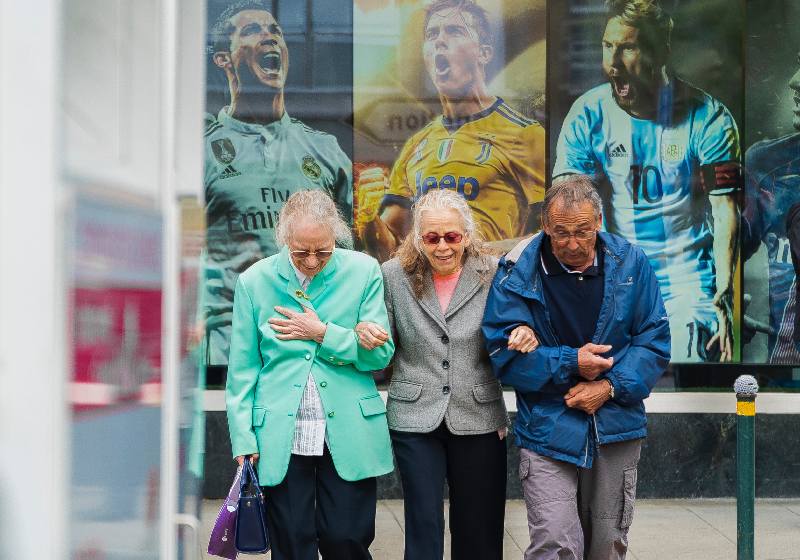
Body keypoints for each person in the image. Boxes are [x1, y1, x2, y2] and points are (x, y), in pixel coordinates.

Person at [482, 176, 670, 559]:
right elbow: (504, 357)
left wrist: (609, 386)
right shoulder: (518, 271)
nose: (572, 243)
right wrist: (571, 362)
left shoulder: (631, 262)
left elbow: (654, 340)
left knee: (607, 545)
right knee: (554, 543)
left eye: (583, 231)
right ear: (546, 226)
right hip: (548, 425)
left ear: (598, 221)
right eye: (561, 232)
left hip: (615, 424)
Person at [553, 0, 740, 363]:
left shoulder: (709, 118)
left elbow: (724, 210)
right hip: (614, 283)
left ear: (661, 52)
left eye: (628, 47)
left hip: (688, 284)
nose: (613, 63)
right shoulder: (588, 114)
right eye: (608, 46)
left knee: (684, 363)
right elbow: (568, 208)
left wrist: (723, 293)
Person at [358, 189, 534, 560]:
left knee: (480, 527)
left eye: (452, 237)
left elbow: (512, 324)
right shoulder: (392, 275)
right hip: (415, 416)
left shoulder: (493, 273)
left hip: (479, 412)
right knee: (423, 524)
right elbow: (381, 351)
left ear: (467, 235)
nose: (442, 247)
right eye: (431, 237)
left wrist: (523, 330)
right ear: (417, 238)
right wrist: (368, 336)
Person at [226, 190, 393, 560]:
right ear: (284, 239)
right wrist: (243, 438)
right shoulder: (254, 282)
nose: (313, 261)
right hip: (281, 430)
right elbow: (242, 371)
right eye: (302, 252)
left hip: (348, 427)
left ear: (336, 236)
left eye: (324, 250)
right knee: (292, 540)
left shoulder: (363, 271)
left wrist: (323, 333)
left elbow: (380, 356)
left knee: (345, 538)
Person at [204, 0, 353, 378]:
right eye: (252, 30)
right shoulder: (201, 152)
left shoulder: (326, 151)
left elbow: (348, 256)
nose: (270, 36)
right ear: (224, 58)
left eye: (276, 31)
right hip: (228, 340)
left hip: (311, 337)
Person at [356, 0, 545, 261]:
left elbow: (549, 236)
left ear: (485, 53)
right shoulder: (416, 145)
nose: (439, 42)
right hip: (427, 296)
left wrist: (479, 254)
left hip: (490, 292)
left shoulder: (525, 135)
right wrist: (368, 220)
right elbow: (388, 253)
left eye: (455, 31)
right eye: (432, 34)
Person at [742, 53, 800, 363]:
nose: (794, 82)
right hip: (785, 385)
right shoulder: (767, 165)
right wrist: (726, 305)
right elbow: (719, 258)